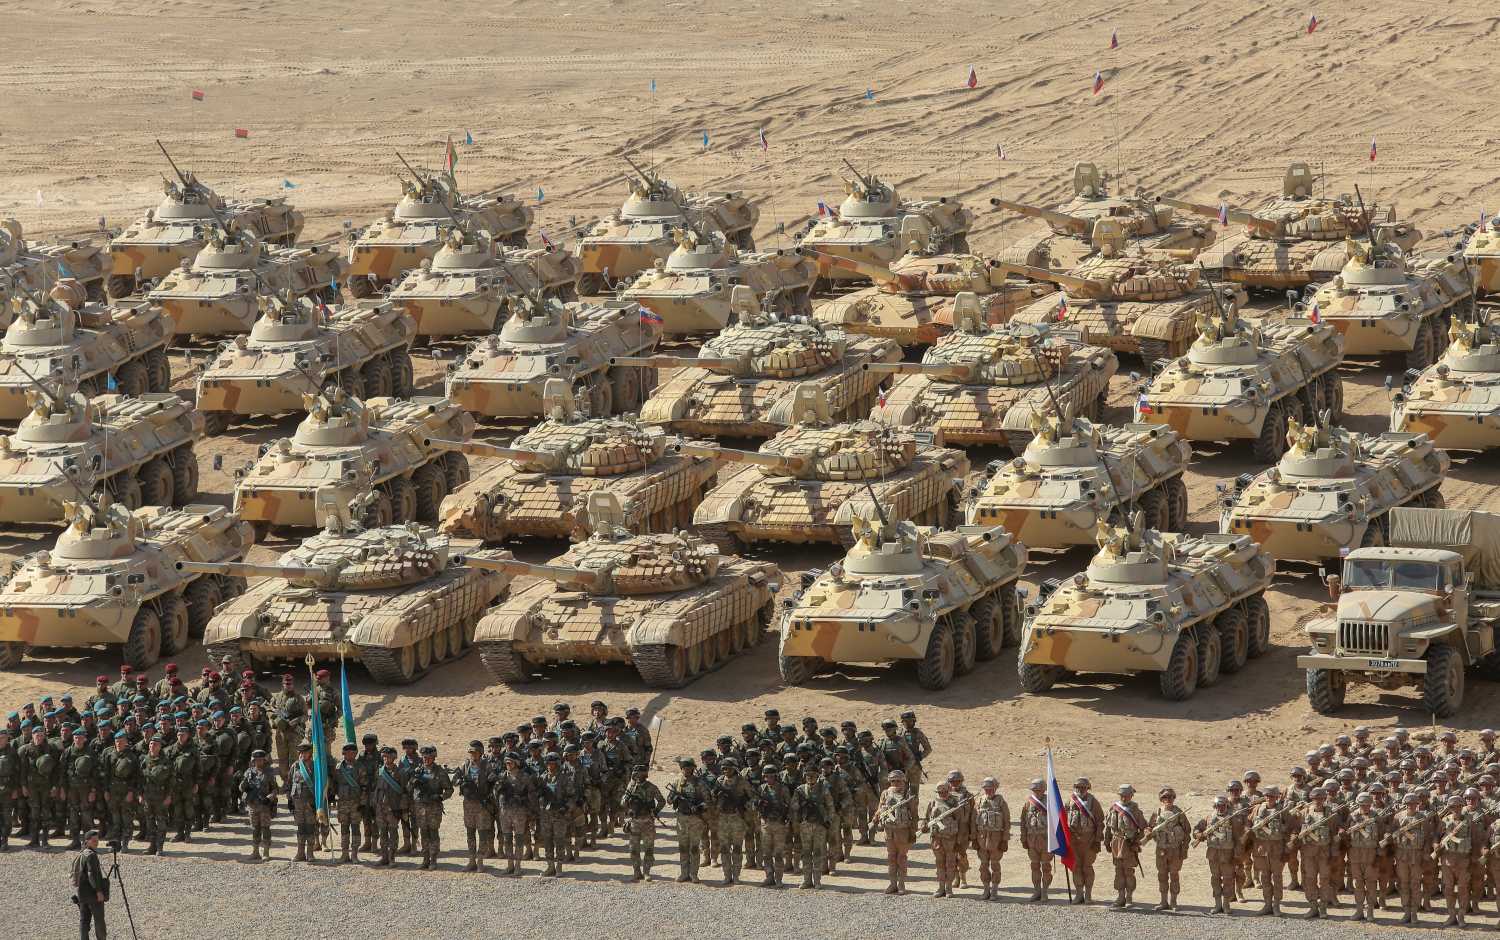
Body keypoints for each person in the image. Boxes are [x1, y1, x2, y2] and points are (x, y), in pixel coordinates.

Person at [1196, 795, 1244, 915]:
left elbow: (1239, 838)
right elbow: (1197, 829)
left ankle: (1226, 904)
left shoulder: (1233, 818)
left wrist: (1237, 855)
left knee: (1228, 879)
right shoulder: (1209, 818)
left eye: (1223, 805)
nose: (1220, 808)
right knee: (1215, 879)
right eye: (1218, 806)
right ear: (1215, 806)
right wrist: (1198, 835)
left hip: (1228, 855)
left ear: (1227, 806)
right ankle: (1217, 904)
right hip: (1213, 854)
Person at [1247, 785, 1290, 916]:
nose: (1269, 798)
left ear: (1277, 797)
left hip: (1277, 850)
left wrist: (1287, 849)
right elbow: (1248, 824)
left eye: (1272, 796)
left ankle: (1276, 905)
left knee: (1277, 878)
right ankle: (1267, 904)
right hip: (1261, 850)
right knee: (1264, 878)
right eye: (1267, 796)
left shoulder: (1282, 811)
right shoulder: (1257, 809)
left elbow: (1291, 830)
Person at [1146, 786, 1191, 911]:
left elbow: (1187, 832)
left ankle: (1174, 902)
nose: (1168, 799)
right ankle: (1163, 901)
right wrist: (1148, 832)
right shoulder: (1157, 812)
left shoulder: (1179, 813)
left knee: (1174, 875)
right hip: (1161, 849)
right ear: (1161, 798)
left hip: (1175, 849)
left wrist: (1184, 849)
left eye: (1170, 797)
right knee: (1162, 875)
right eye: (1165, 797)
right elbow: (1149, 827)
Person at [409, 745, 452, 871]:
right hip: (420, 807)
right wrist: (413, 782)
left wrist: (440, 797)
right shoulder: (418, 770)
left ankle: (433, 859)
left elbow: (449, 789)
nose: (426, 760)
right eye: (424, 757)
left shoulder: (440, 772)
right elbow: (409, 788)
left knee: (433, 833)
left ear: (434, 758)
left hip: (434, 808)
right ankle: (425, 858)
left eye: (429, 757)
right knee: (423, 833)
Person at [621, 764, 665, 882]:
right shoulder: (631, 786)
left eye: (639, 773)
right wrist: (627, 800)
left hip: (647, 822)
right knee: (633, 849)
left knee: (648, 849)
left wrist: (654, 811)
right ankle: (636, 872)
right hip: (634, 822)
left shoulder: (651, 787)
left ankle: (647, 872)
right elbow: (622, 802)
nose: (637, 775)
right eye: (636, 773)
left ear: (645, 774)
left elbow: (661, 801)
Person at [792, 765, 833, 890]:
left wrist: (828, 820)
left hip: (819, 825)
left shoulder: (823, 789)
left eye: (812, 775)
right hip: (805, 825)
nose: (810, 777)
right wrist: (800, 811)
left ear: (817, 776)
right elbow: (793, 806)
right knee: (805, 853)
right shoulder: (800, 790)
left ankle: (817, 880)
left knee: (818, 852)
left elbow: (830, 806)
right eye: (807, 775)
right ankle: (806, 880)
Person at [757, 756, 794, 887]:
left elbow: (790, 806)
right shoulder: (762, 788)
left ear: (776, 776)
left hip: (779, 824)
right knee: (766, 853)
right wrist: (758, 804)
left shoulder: (783, 789)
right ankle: (769, 876)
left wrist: (787, 820)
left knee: (778, 853)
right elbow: (755, 804)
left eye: (771, 776)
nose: (768, 779)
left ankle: (778, 879)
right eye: (766, 776)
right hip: (766, 823)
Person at [973, 776, 1010, 901]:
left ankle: (994, 890)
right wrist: (973, 839)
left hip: (996, 840)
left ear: (995, 788)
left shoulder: (1001, 802)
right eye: (986, 789)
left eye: (991, 788)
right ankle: (986, 889)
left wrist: (1004, 840)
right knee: (983, 866)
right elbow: (973, 821)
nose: (988, 791)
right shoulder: (978, 801)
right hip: (982, 839)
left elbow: (1006, 822)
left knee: (995, 865)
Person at [1067, 777, 1104, 904]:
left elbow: (1100, 822)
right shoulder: (1070, 801)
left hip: (1089, 840)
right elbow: (1063, 819)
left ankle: (1088, 895)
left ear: (1088, 788)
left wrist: (1097, 840)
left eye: (1083, 787)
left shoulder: (1093, 802)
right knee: (1076, 867)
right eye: (1078, 787)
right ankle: (1078, 894)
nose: (1080, 789)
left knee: (1087, 867)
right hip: (1073, 841)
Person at [924, 780, 963, 898]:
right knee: (939, 864)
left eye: (944, 791)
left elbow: (961, 823)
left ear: (948, 790)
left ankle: (949, 888)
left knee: (950, 864)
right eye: (940, 792)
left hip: (950, 839)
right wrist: (924, 826)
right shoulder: (933, 803)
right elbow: (926, 818)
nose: (942, 794)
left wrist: (959, 841)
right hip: (937, 839)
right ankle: (941, 887)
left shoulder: (955, 803)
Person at [240, 750, 279, 861]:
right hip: (252, 806)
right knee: (255, 829)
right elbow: (241, 787)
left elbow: (275, 790)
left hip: (264, 806)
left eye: (261, 760)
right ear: (253, 760)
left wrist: (269, 798)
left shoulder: (269, 773)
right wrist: (244, 786)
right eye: (256, 760)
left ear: (264, 760)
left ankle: (266, 851)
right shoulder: (248, 772)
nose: (258, 762)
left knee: (265, 829)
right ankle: (255, 851)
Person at [71, 830, 109, 940]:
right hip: (93, 894)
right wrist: (98, 891)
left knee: (84, 921)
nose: (96, 843)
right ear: (87, 841)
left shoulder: (82, 853)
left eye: (97, 840)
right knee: (99, 922)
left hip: (82, 893)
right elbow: (92, 874)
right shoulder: (91, 855)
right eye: (94, 841)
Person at [1020, 778, 1054, 901]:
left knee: (1046, 867)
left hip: (1046, 840)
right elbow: (1023, 821)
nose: (1036, 792)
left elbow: (1058, 822)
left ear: (1044, 790)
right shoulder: (1028, 803)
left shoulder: (1051, 802)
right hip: (1032, 840)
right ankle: (1036, 891)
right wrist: (1023, 838)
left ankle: (1045, 892)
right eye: (1034, 790)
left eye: (1039, 790)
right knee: (1034, 866)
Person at [331, 743, 365, 864]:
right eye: (346, 753)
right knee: (344, 828)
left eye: (352, 752)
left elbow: (364, 786)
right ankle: (344, 853)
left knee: (355, 828)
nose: (349, 755)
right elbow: (334, 784)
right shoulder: (338, 767)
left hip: (356, 803)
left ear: (355, 753)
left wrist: (363, 802)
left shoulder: (360, 767)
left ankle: (354, 854)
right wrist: (332, 797)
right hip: (343, 803)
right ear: (343, 754)